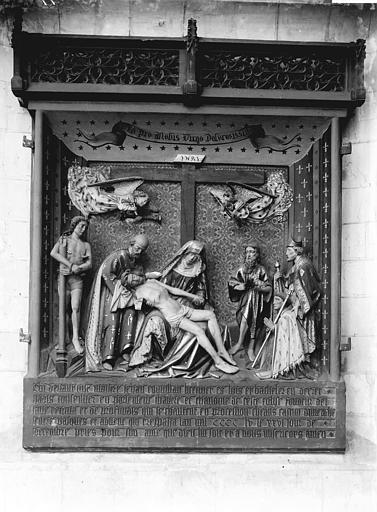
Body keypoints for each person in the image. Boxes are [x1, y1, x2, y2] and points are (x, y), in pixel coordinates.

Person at [129, 240, 215, 377]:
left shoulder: (198, 270)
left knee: (196, 327)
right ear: (185, 253)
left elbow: (201, 291)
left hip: (187, 304)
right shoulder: (172, 269)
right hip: (167, 305)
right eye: (191, 254)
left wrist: (198, 298)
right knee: (154, 321)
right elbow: (161, 291)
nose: (193, 257)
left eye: (196, 255)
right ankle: (153, 357)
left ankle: (179, 359)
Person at [84, 234, 160, 372]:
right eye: (137, 248)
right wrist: (117, 291)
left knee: (131, 315)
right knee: (113, 322)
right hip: (112, 293)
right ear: (131, 244)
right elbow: (106, 273)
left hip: (127, 294)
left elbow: (138, 278)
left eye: (142, 250)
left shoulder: (136, 262)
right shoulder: (119, 255)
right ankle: (108, 357)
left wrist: (142, 280)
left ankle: (126, 349)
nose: (139, 252)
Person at [134, 279, 238, 375]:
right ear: (129, 285)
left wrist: (193, 296)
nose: (135, 278)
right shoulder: (138, 294)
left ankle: (221, 350)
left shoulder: (151, 281)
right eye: (131, 279)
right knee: (199, 331)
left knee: (210, 315)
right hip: (174, 316)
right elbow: (142, 311)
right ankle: (218, 361)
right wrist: (146, 304)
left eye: (134, 276)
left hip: (182, 308)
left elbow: (173, 290)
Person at [275, 238, 323, 367]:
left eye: (289, 251)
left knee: (286, 319)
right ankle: (289, 361)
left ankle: (298, 361)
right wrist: (281, 278)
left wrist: (298, 306)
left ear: (296, 251)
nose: (286, 254)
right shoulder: (296, 265)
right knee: (283, 318)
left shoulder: (304, 265)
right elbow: (291, 283)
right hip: (296, 305)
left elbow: (307, 288)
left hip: (303, 307)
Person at [50, 216, 92, 355]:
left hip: (77, 280)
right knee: (64, 308)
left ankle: (75, 338)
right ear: (74, 226)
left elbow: (89, 264)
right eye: (81, 226)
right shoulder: (64, 240)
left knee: (75, 307)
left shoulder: (85, 245)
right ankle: (63, 339)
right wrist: (70, 265)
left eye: (85, 227)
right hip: (64, 279)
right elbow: (54, 253)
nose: (83, 229)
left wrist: (79, 268)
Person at [228, 244, 272, 362]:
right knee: (244, 318)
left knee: (255, 322)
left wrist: (260, 287)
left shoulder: (261, 270)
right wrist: (239, 287)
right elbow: (231, 283)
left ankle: (251, 348)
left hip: (258, 303)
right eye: (247, 252)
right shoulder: (241, 269)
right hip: (245, 301)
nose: (249, 255)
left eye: (252, 252)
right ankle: (240, 344)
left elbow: (269, 288)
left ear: (256, 255)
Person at [255, 292, 307, 379]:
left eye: (277, 300)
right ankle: (270, 368)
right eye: (274, 300)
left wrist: (273, 328)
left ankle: (280, 370)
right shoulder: (284, 315)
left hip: (288, 350)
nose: (274, 302)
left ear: (283, 303)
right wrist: (273, 328)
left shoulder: (286, 316)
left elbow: (285, 335)